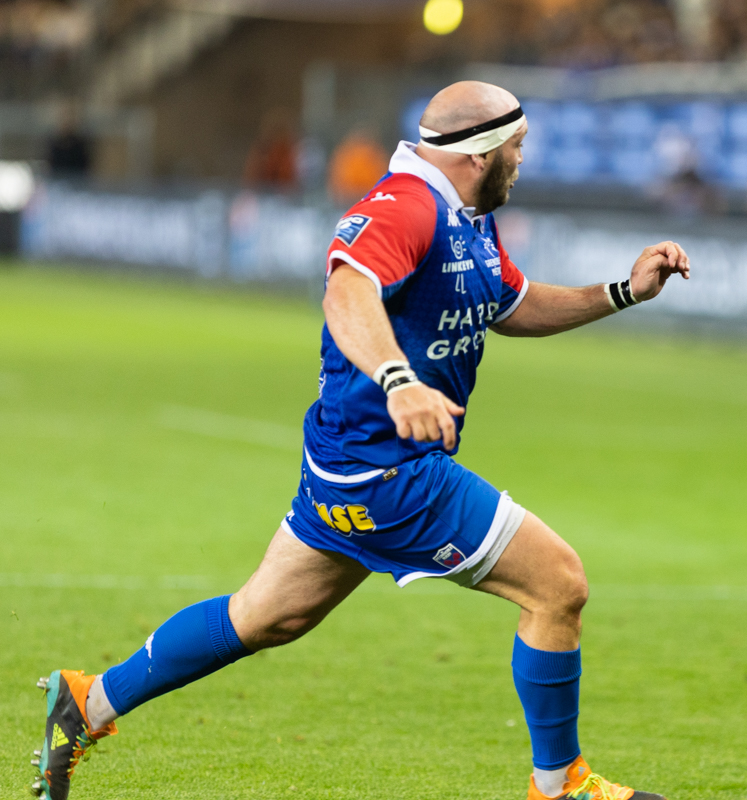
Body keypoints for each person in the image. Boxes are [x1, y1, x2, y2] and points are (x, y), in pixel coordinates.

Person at [30, 81, 689, 800]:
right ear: (479, 152)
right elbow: (347, 289)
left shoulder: (465, 214)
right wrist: (399, 379)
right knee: (558, 586)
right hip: (393, 472)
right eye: (517, 148)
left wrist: (623, 290)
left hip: (344, 469)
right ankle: (560, 786)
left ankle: (86, 702)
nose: (523, 161)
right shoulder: (406, 204)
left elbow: (515, 303)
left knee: (263, 615)